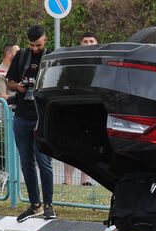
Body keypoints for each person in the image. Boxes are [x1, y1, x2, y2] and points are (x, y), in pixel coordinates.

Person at [6, 24, 55, 221]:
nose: (34, 49)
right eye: (31, 45)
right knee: (26, 163)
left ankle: (49, 205)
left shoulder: (52, 58)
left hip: (42, 118)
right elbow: (8, 82)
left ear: (45, 40)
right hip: (21, 117)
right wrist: (18, 86)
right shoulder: (21, 56)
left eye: (38, 44)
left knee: (44, 162)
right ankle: (34, 205)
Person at [64, 32, 99, 186]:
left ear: (97, 43)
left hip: (93, 108)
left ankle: (85, 180)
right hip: (74, 107)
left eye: (91, 41)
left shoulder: (100, 62)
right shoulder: (74, 62)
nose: (88, 43)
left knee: (88, 146)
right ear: (81, 44)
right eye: (85, 41)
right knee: (71, 146)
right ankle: (68, 180)